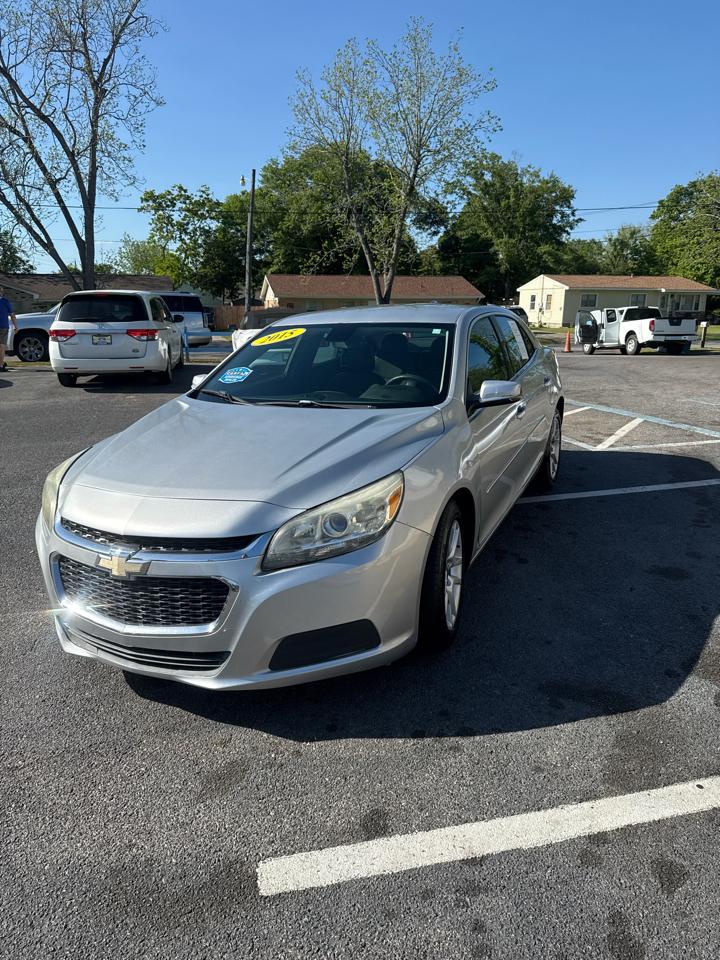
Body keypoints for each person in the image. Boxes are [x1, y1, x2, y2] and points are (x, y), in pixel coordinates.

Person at [0, 286, 18, 372]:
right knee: (2, 346)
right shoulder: (5, 302)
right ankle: (0, 365)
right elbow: (12, 315)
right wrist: (15, 326)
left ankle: (1, 363)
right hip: (3, 326)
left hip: (3, 327)